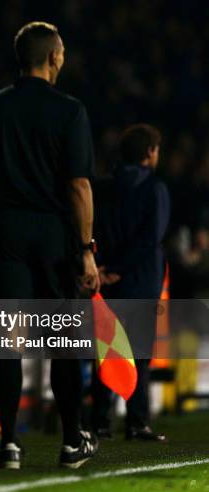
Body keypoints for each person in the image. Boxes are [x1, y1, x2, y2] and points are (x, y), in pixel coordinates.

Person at [0, 22, 100, 469]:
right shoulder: (69, 110)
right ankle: (71, 442)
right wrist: (87, 248)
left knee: (6, 338)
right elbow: (79, 186)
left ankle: (8, 443)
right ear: (52, 57)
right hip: (52, 232)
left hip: (5, 227)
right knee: (62, 339)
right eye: (62, 52)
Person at [91, 124, 170, 441]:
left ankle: (99, 421)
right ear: (150, 152)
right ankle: (137, 422)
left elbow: (91, 226)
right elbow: (151, 237)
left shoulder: (103, 187)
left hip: (105, 279)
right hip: (140, 280)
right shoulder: (154, 188)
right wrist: (121, 268)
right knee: (138, 352)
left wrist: (103, 267)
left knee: (106, 352)